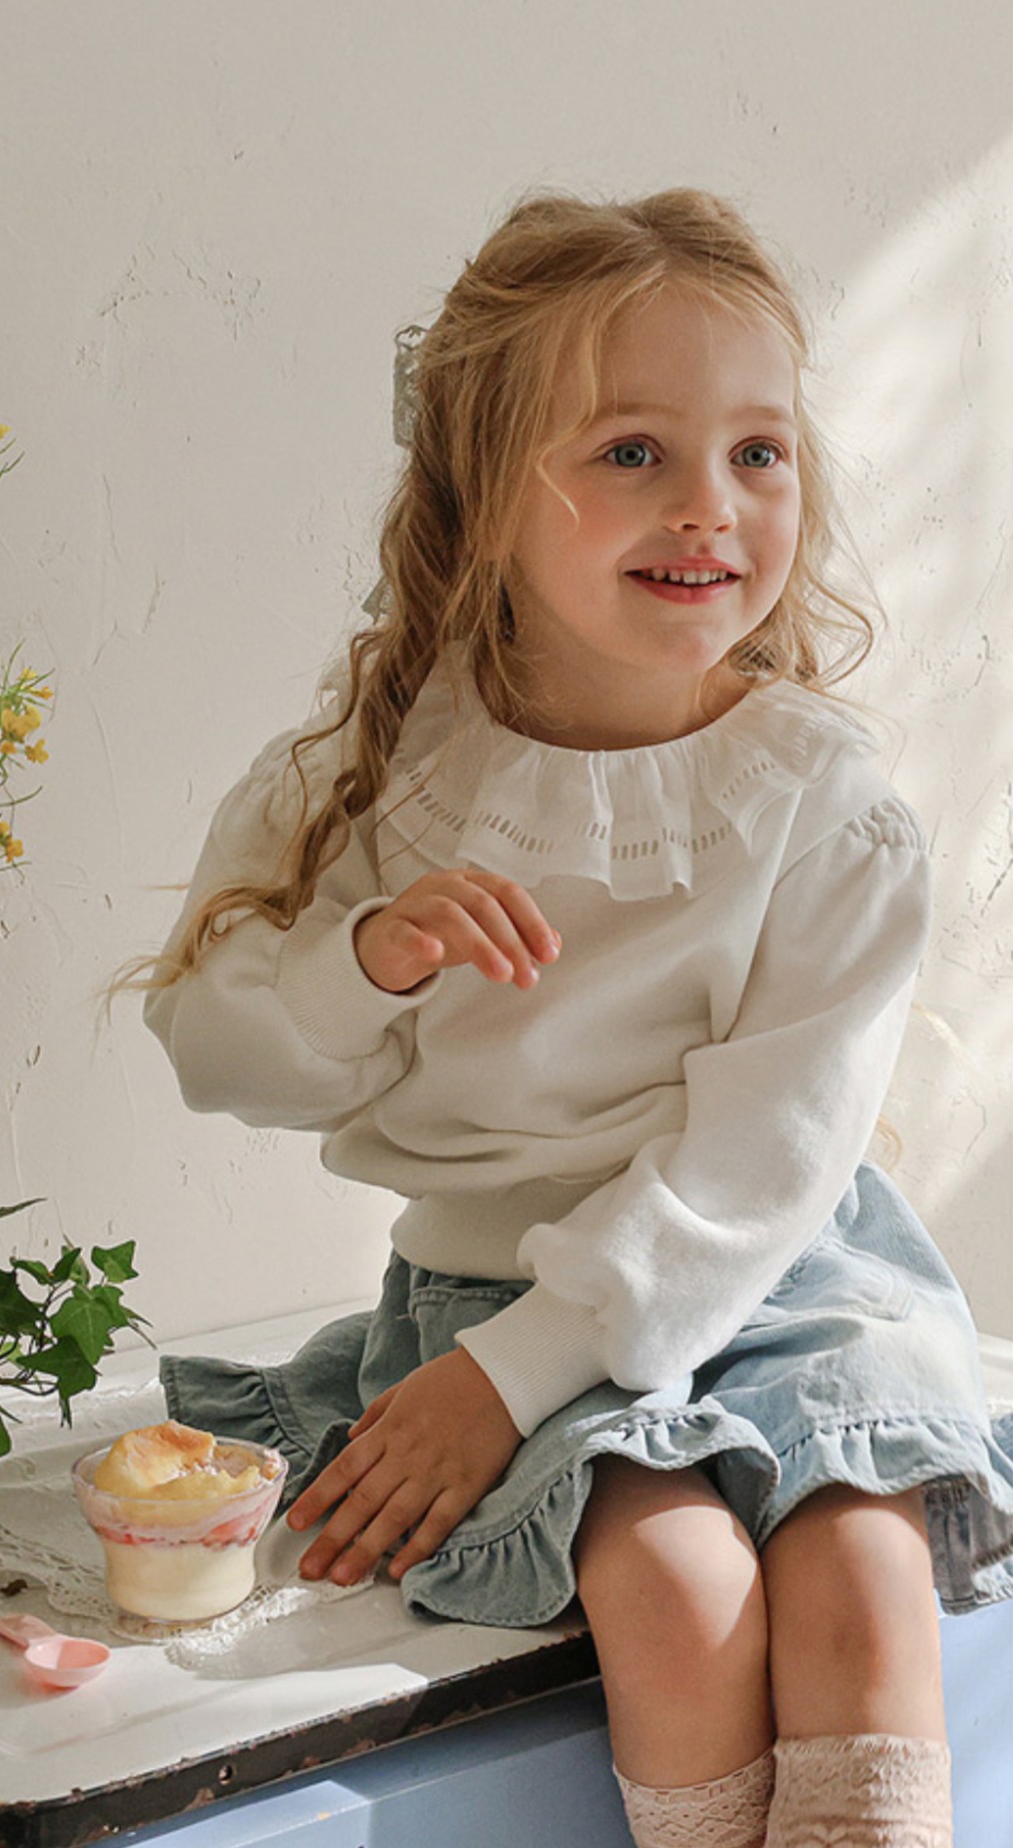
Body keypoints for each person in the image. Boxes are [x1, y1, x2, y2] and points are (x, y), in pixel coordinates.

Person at [129, 190, 1013, 1847]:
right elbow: (214, 1051)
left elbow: (764, 1165)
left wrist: (509, 1380)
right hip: (499, 1299)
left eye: (759, 452)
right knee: (676, 1589)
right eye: (632, 452)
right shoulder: (383, 773)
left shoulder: (824, 808)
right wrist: (365, 963)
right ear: (481, 491)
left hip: (783, 1283)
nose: (710, 505)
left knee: (867, 1578)